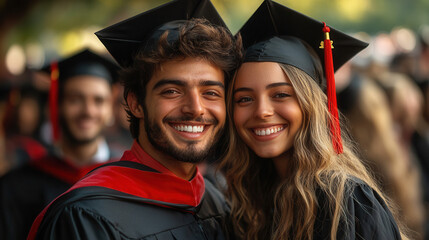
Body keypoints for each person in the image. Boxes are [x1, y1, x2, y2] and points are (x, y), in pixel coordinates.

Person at [27, 0, 241, 239]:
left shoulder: (217, 203)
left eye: (211, 93)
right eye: (172, 91)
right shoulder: (85, 217)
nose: (195, 108)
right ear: (135, 103)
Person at [219, 0, 408, 239]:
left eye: (281, 94)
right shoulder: (248, 201)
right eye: (244, 99)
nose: (262, 111)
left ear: (312, 105)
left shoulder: (347, 202)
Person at [0, 48, 120, 240]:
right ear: (57, 105)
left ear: (110, 109)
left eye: (98, 101)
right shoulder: (17, 186)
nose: (88, 111)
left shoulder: (125, 179)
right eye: (75, 99)